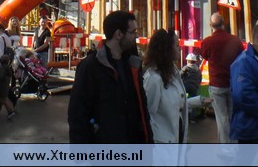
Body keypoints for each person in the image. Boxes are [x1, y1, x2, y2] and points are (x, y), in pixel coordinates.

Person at [68, 10, 153, 144]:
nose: (136, 36)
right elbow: (78, 114)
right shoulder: (91, 67)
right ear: (118, 34)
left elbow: (141, 109)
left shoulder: (132, 64)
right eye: (132, 32)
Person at [199, 13, 243, 144]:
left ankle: (226, 147)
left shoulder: (207, 42)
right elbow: (242, 58)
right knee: (233, 115)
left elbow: (204, 56)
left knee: (222, 118)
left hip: (217, 84)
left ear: (210, 25)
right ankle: (235, 144)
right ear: (224, 23)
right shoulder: (235, 41)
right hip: (233, 83)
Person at [142, 28, 188, 144]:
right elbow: (149, 114)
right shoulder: (154, 79)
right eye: (177, 45)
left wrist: (199, 101)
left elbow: (174, 103)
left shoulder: (173, 73)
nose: (180, 48)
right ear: (167, 49)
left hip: (176, 139)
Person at [0, 54, 16, 120]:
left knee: (3, 100)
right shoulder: (9, 69)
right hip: (6, 86)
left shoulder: (2, 68)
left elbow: (0, 77)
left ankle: (10, 111)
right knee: (1, 99)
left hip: (1, 86)